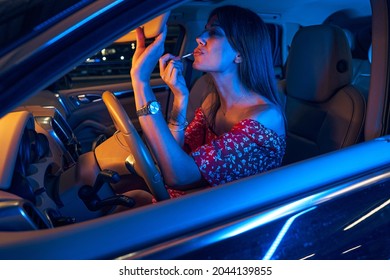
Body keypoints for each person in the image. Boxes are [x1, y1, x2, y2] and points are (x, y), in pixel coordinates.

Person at [130, 5, 286, 200]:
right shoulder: (213, 101)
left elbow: (179, 176)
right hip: (189, 201)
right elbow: (175, 153)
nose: (199, 38)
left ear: (240, 54)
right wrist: (180, 98)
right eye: (205, 29)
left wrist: (141, 83)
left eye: (214, 32)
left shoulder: (264, 118)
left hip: (218, 218)